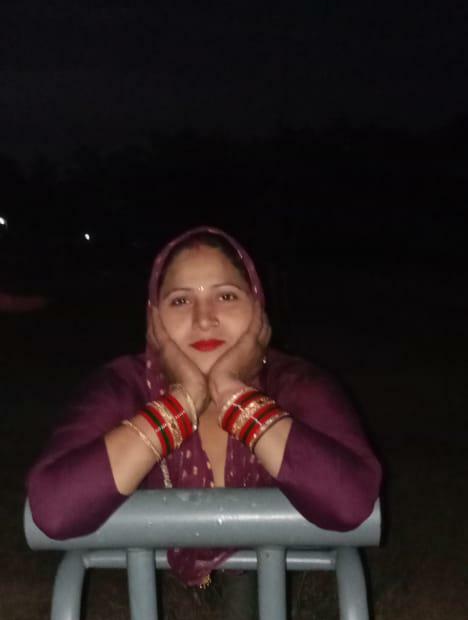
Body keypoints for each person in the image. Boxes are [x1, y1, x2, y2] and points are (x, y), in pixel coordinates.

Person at [28, 226, 382, 588]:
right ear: (154, 317)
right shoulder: (123, 385)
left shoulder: (294, 382)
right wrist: (180, 406)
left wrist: (233, 395)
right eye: (180, 301)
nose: (204, 319)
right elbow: (54, 509)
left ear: (257, 307)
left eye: (226, 296)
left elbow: (351, 500)